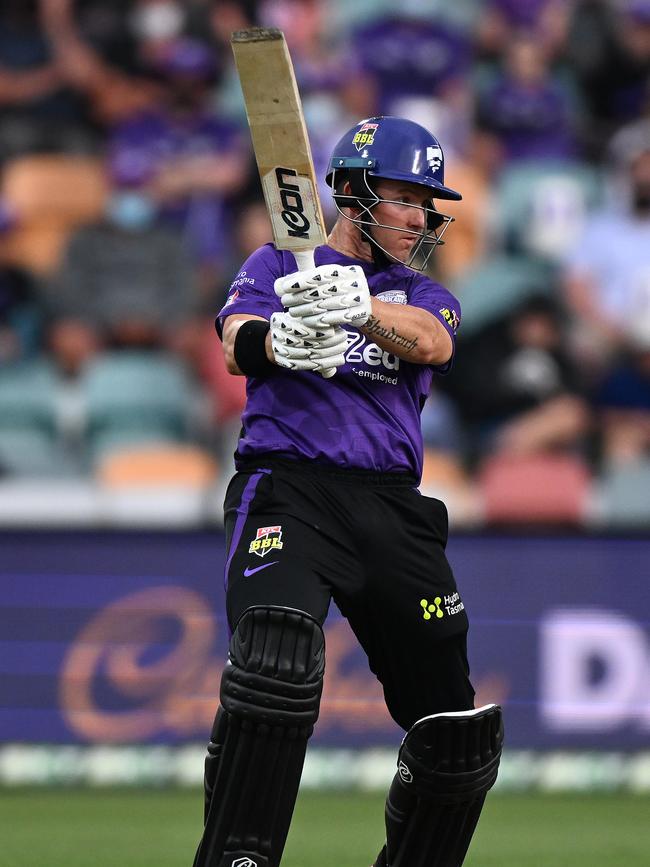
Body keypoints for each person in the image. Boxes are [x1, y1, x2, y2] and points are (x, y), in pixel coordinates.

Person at [193, 116, 503, 867]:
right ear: (353, 192)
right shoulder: (276, 264)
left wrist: (357, 307)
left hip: (394, 511)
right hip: (289, 491)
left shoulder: (423, 293)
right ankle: (238, 859)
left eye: (429, 202)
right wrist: (279, 339)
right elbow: (234, 336)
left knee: (456, 733)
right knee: (276, 659)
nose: (423, 216)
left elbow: (433, 341)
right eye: (406, 197)